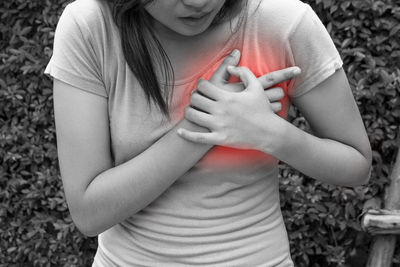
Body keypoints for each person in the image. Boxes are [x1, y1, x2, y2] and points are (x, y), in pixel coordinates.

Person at [44, 0, 372, 266]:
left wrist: (271, 133)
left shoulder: (282, 22)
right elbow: (89, 213)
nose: (199, 3)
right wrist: (203, 123)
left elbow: (356, 165)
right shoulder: (90, 27)